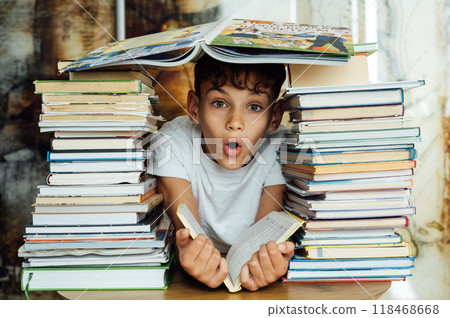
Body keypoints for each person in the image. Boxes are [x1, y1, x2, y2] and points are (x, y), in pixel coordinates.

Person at [152, 54, 294, 291]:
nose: (235, 122)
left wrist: (264, 263)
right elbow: (190, 238)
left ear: (275, 116)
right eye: (220, 103)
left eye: (254, 107)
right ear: (195, 108)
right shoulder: (172, 140)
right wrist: (194, 257)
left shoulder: (282, 147)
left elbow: (259, 245)